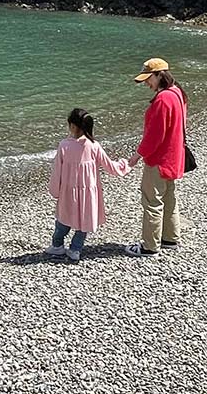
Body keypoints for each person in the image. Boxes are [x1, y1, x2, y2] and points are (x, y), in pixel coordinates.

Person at [46, 106, 130, 263]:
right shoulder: (94, 146)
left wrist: (55, 191)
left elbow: (57, 171)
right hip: (88, 192)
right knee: (85, 221)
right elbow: (110, 166)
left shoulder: (64, 145)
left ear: (72, 126)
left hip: (68, 191)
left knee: (63, 221)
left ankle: (57, 246)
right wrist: (125, 165)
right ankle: (75, 249)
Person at [126, 57, 186, 257]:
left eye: (148, 79)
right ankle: (170, 238)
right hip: (174, 156)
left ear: (160, 75)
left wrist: (137, 156)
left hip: (159, 159)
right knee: (169, 199)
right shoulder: (177, 93)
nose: (146, 83)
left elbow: (155, 136)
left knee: (152, 201)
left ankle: (150, 246)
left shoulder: (162, 100)